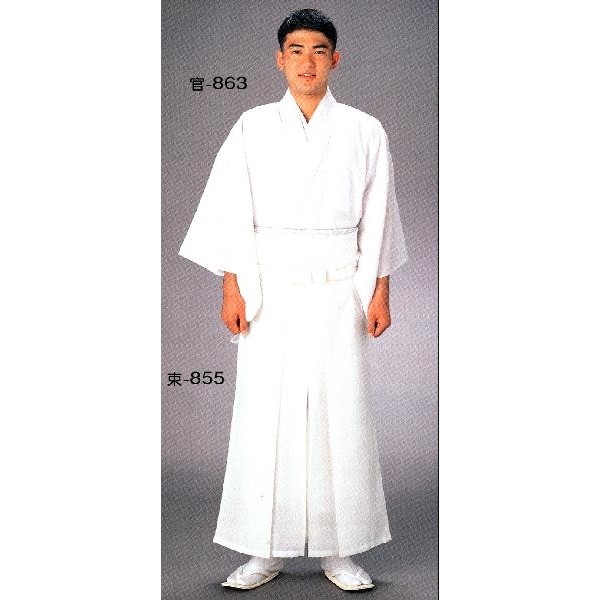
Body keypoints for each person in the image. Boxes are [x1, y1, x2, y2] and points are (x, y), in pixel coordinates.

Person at [178, 8, 408, 592]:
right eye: (297, 50)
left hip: (338, 288)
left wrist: (380, 290)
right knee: (265, 417)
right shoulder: (252, 127)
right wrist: (231, 285)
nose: (308, 61)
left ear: (335, 58)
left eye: (319, 50)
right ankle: (263, 548)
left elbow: (379, 216)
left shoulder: (365, 130)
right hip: (270, 291)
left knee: (341, 416)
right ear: (280, 59)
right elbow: (231, 208)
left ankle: (339, 550)